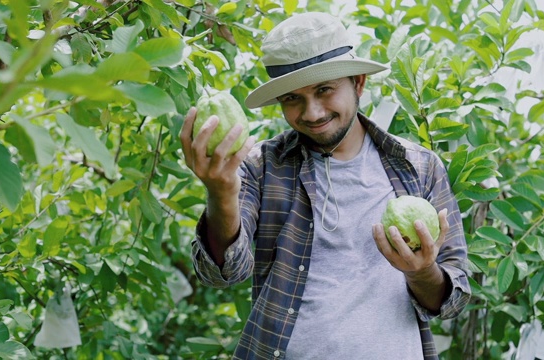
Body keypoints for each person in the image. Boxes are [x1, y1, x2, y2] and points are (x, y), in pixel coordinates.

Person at [180, 12, 471, 360]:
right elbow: (223, 273)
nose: (312, 113)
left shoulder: (419, 167)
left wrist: (422, 271)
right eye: (292, 98)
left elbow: (453, 299)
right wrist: (220, 191)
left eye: (324, 90)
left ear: (358, 83)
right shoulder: (260, 166)